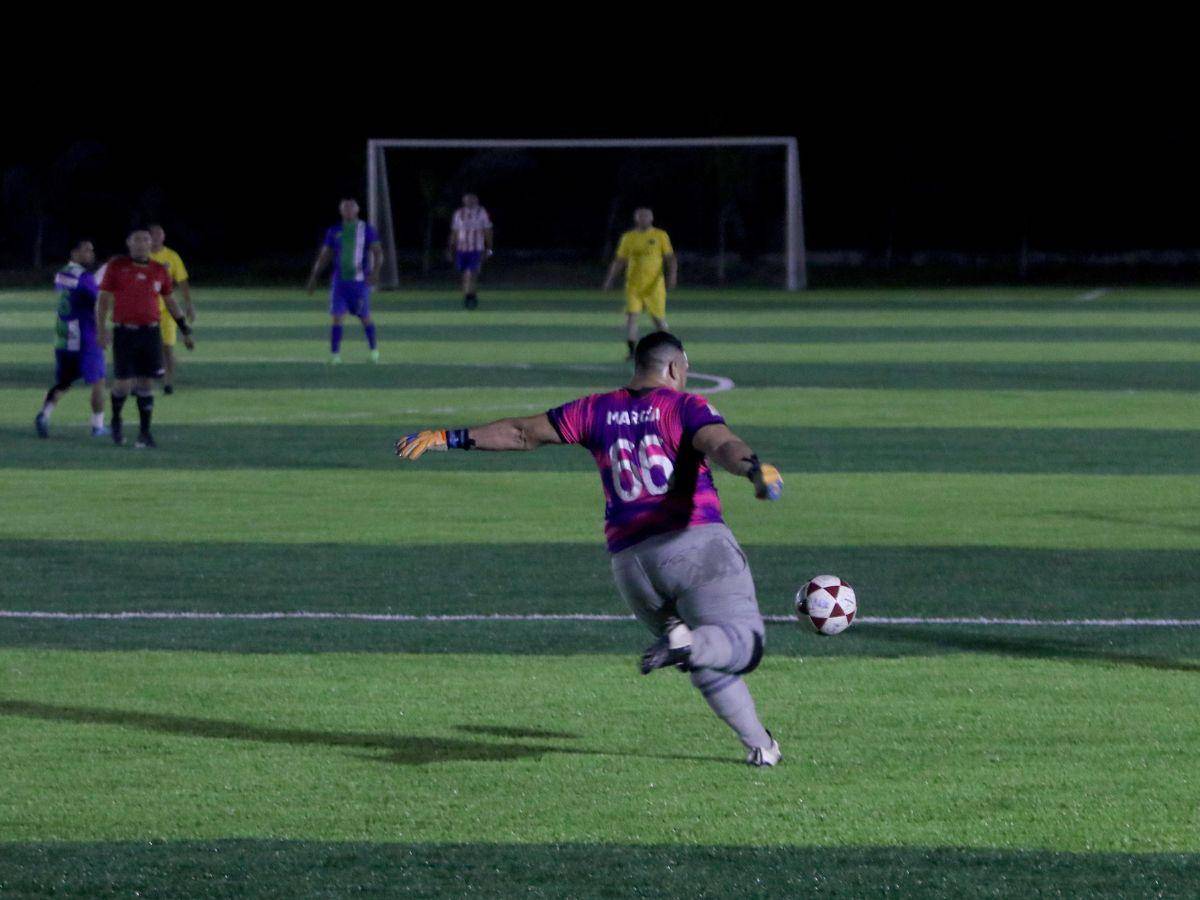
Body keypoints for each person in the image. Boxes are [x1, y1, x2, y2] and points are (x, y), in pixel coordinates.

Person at [396, 331, 786, 766]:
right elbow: (721, 445)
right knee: (743, 644)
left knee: (704, 653)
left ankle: (761, 747)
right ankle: (688, 645)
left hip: (632, 567)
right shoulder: (686, 405)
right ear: (676, 368)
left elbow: (522, 433)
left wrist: (445, 437)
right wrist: (755, 470)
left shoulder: (594, 409)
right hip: (692, 544)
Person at [96, 229, 195, 448]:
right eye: (138, 240)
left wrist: (185, 330)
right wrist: (101, 329)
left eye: (146, 240)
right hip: (124, 332)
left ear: (151, 245)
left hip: (150, 333)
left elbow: (170, 301)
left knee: (146, 382)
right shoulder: (117, 266)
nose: (142, 244)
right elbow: (103, 300)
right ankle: (116, 420)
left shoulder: (159, 270)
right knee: (122, 384)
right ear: (128, 243)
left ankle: (144, 433)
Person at [35, 240, 108, 438]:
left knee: (64, 382)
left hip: (64, 337)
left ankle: (44, 414)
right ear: (74, 253)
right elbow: (98, 302)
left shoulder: (61, 274)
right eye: (86, 250)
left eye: (92, 250)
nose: (90, 254)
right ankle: (97, 426)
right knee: (98, 381)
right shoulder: (85, 278)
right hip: (86, 337)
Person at [306, 199, 383, 364]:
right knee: (337, 317)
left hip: (359, 283)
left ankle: (374, 352)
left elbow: (378, 252)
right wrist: (314, 277)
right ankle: (335, 355)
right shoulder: (334, 231)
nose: (348, 210)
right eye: (345, 208)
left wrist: (376, 272)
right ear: (341, 211)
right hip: (339, 283)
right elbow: (325, 255)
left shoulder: (366, 230)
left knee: (365, 317)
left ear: (357, 210)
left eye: (351, 208)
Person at [602, 208, 678, 360]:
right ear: (636, 219)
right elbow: (620, 261)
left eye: (646, 217)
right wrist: (610, 279)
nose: (643, 219)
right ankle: (632, 351)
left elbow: (670, 258)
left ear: (651, 219)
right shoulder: (628, 237)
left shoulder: (660, 235)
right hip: (634, 285)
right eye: (640, 217)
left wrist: (672, 276)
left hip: (654, 286)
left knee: (658, 319)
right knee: (632, 316)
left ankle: (673, 349)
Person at [148, 224, 195, 395]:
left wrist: (189, 304)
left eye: (160, 234)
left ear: (164, 237)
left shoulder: (171, 256)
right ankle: (141, 382)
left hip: (167, 310)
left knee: (167, 347)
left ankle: (168, 383)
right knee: (147, 348)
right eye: (153, 234)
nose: (156, 237)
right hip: (146, 310)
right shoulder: (141, 256)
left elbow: (182, 280)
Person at [446, 193, 493, 309]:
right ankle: (469, 294)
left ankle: (470, 296)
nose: (469, 202)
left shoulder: (481, 213)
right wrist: (450, 248)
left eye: (471, 200)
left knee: (471, 272)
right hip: (461, 249)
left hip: (476, 248)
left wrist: (489, 247)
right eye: (467, 200)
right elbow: (455, 232)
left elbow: (487, 230)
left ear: (476, 201)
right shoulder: (458, 213)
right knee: (465, 274)